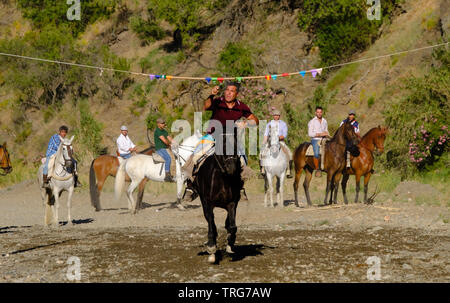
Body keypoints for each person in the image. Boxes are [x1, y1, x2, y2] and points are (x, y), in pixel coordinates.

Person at [182, 81, 259, 201]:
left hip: (230, 138)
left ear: (236, 93)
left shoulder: (241, 106)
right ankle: (190, 186)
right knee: (197, 155)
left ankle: (240, 187)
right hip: (212, 136)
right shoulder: (218, 102)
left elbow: (255, 120)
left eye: (232, 91)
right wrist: (211, 95)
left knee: (242, 159)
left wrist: (246, 123)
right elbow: (206, 106)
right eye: (227, 90)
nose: (228, 93)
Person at [260, 109, 293, 178]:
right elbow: (266, 134)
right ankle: (262, 170)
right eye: (275, 115)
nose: (276, 116)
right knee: (262, 153)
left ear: (279, 116)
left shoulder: (283, 124)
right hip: (270, 142)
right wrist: (264, 143)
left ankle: (289, 171)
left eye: (277, 115)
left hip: (280, 141)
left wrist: (278, 137)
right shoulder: (269, 124)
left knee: (289, 153)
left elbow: (284, 134)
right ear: (273, 116)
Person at [308, 106, 329, 177]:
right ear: (315, 113)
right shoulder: (312, 122)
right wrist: (320, 134)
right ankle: (317, 169)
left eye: (320, 112)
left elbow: (326, 130)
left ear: (322, 112)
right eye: (318, 112)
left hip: (324, 139)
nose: (319, 113)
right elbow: (310, 134)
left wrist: (326, 133)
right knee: (316, 153)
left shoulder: (324, 121)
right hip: (315, 139)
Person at [154, 117, 176, 182]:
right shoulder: (157, 131)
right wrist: (170, 145)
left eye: (164, 123)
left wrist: (176, 143)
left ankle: (174, 173)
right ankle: (167, 175)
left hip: (166, 148)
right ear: (158, 124)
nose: (164, 124)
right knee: (168, 158)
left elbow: (169, 138)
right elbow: (165, 141)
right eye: (162, 123)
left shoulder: (164, 131)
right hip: (160, 149)